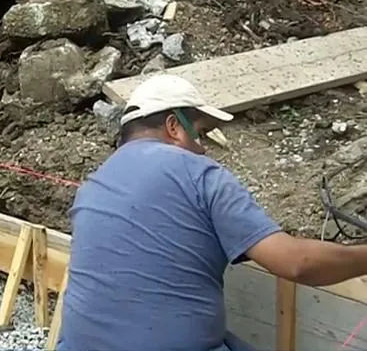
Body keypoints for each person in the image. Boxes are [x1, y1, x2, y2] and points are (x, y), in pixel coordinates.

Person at [58, 74, 367, 351]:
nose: (203, 148)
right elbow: (296, 263)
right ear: (174, 126)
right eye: (201, 133)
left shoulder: (92, 187)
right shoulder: (195, 171)